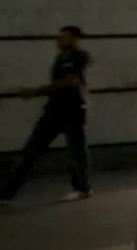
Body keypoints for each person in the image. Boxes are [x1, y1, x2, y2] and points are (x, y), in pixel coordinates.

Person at [1, 26, 93, 206]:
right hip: (54, 110)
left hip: (73, 111)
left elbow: (71, 81)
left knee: (77, 151)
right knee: (31, 151)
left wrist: (36, 91)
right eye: (58, 37)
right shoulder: (60, 58)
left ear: (75, 39)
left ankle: (83, 188)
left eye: (64, 37)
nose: (58, 41)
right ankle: (6, 192)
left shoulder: (79, 56)